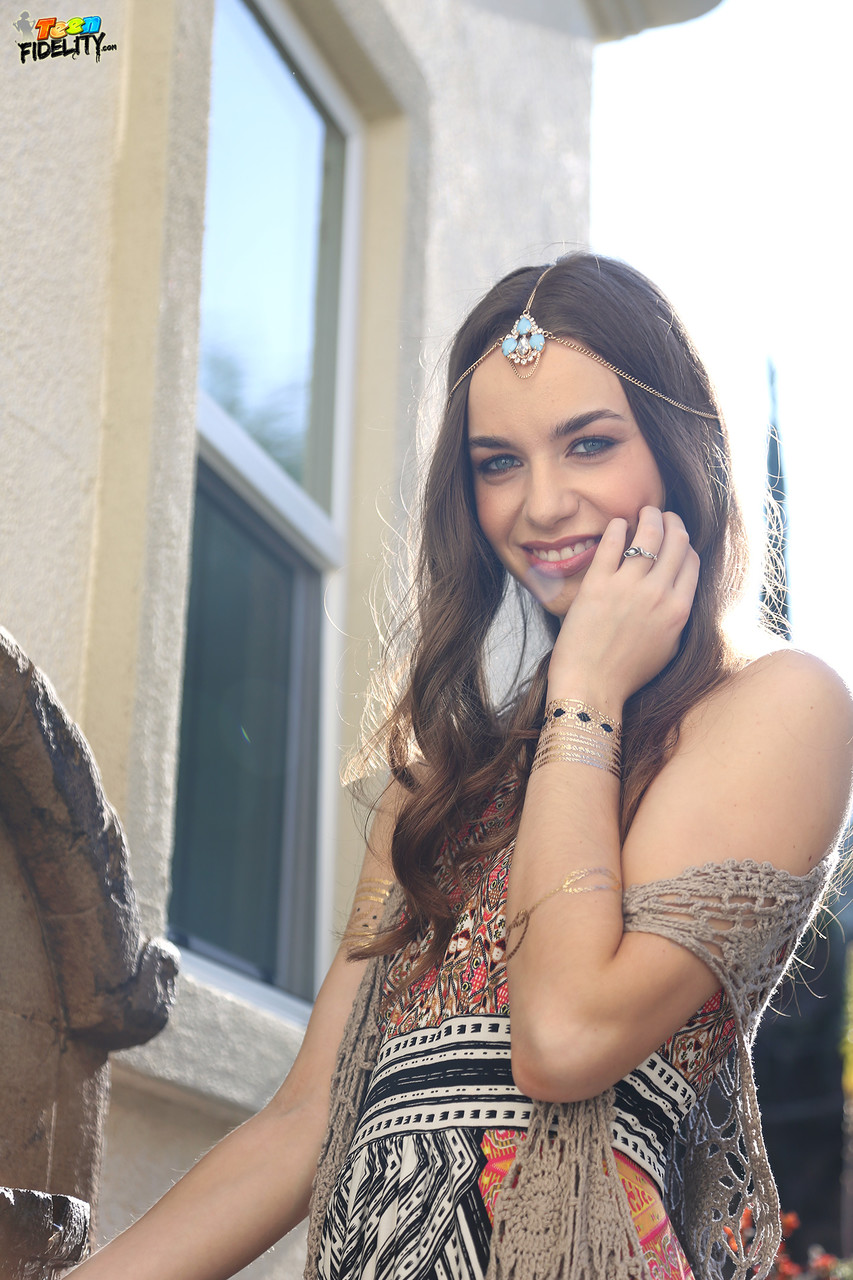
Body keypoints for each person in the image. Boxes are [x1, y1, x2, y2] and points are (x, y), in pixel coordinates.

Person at [70, 254, 853, 1280]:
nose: (542, 503)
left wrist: (584, 691)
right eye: (497, 463)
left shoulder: (780, 707)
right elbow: (304, 1123)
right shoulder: (436, 790)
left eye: (588, 443)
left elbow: (563, 1036)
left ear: (679, 449)